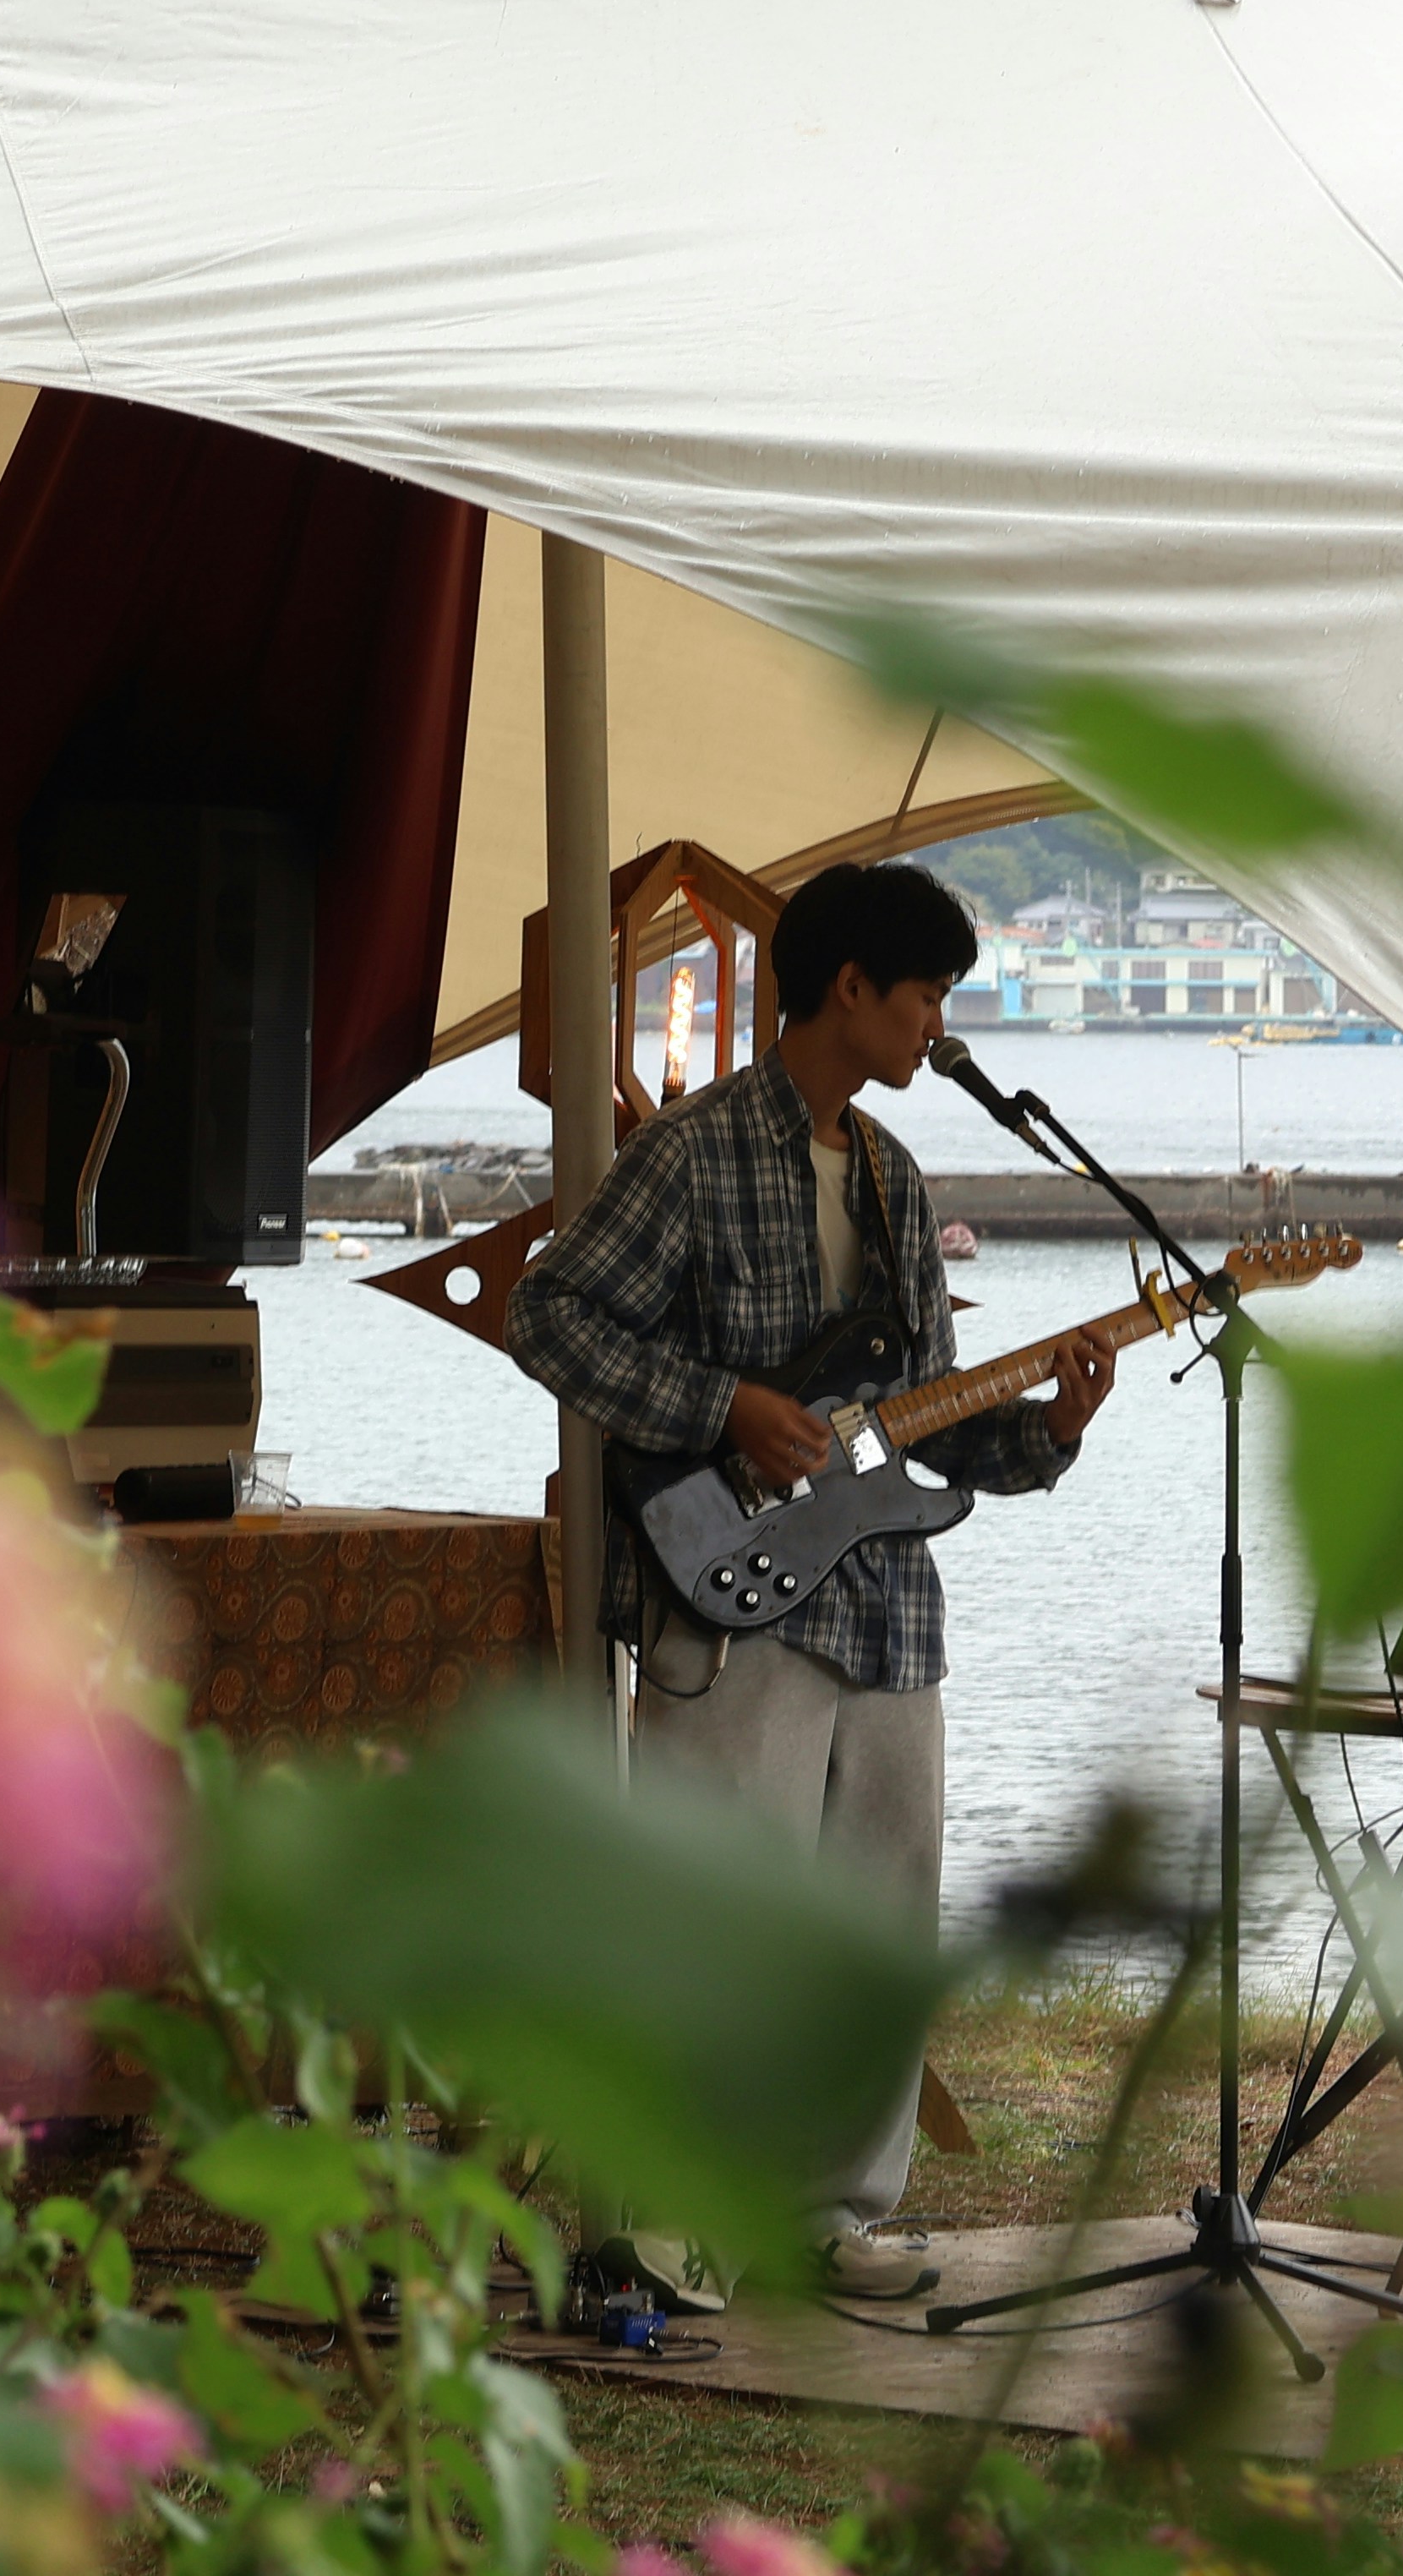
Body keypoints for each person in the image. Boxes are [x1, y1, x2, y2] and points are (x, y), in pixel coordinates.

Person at [505, 860, 1116, 2300]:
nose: (935, 1027)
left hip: (886, 1607)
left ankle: (830, 2216)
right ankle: (673, 2219)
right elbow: (550, 1314)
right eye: (925, 997)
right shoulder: (696, 1152)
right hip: (722, 1593)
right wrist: (723, 1408)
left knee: (879, 1914)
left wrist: (1054, 1429)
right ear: (849, 987)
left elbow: (928, 1418)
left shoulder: (898, 1180)